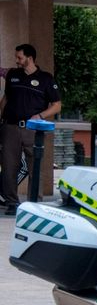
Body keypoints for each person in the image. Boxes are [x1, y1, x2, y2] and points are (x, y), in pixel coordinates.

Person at [0, 44, 61, 215]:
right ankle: (11, 202)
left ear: (30, 58)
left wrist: (40, 116)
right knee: (9, 166)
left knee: (35, 166)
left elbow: (57, 106)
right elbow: (6, 98)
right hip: (10, 127)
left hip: (33, 130)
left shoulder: (46, 79)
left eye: (19, 57)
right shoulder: (13, 75)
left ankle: (35, 204)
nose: (17, 60)